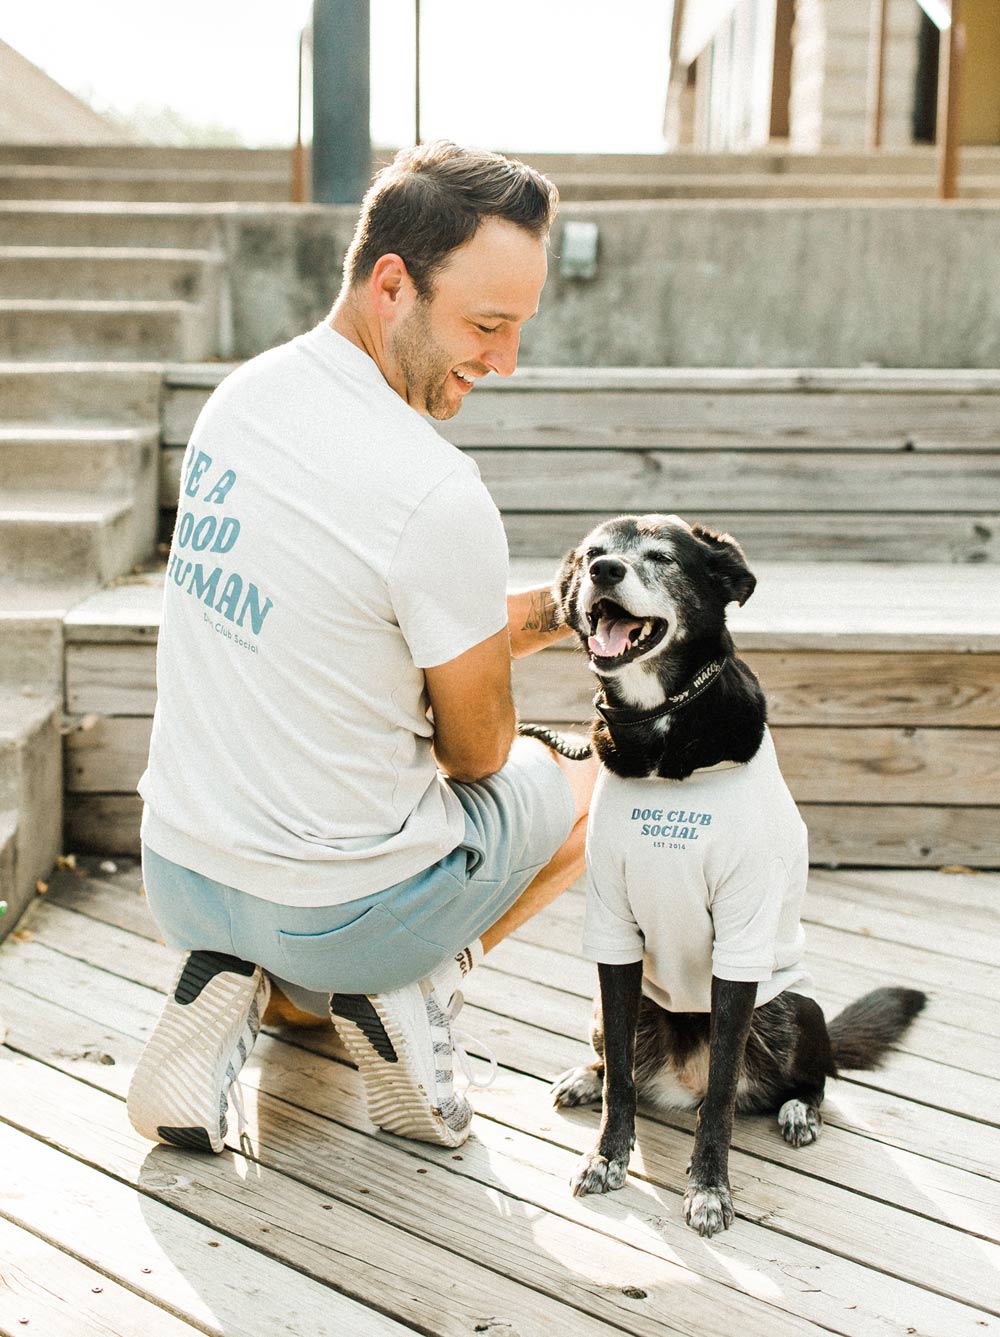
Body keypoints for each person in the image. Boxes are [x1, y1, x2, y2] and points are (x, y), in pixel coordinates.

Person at [127, 141, 599, 1154]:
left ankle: (239, 985)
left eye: (519, 328)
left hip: (179, 868)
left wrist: (547, 611)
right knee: (597, 777)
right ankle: (402, 985)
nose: (505, 360)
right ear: (393, 285)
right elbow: (477, 754)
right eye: (486, 324)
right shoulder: (434, 490)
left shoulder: (241, 401)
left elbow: (333, 615)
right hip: (337, 908)